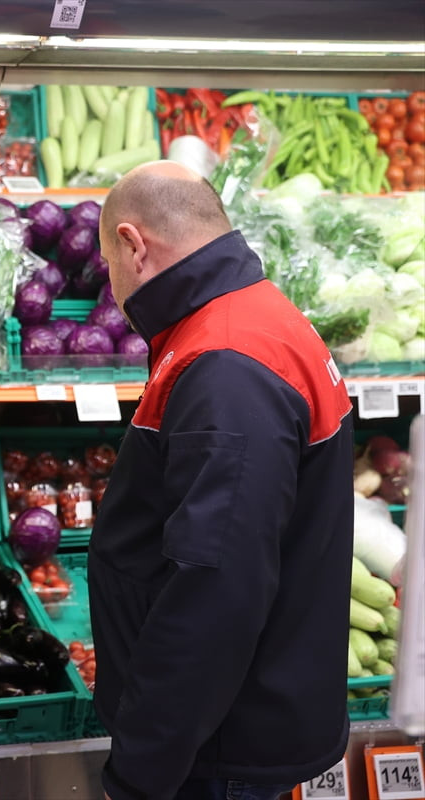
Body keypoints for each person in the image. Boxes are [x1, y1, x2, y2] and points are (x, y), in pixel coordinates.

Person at [88, 161, 355, 800]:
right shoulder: (256, 318)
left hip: (218, 749)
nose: (113, 284)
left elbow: (217, 590)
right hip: (238, 719)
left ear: (133, 244)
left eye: (109, 263)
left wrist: (141, 771)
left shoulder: (226, 362)